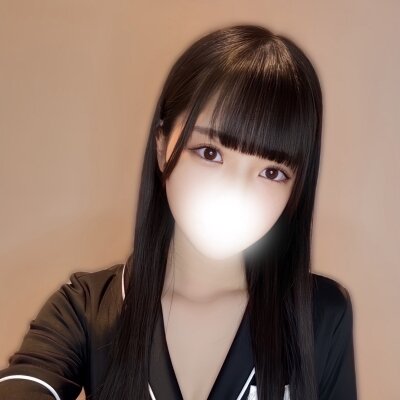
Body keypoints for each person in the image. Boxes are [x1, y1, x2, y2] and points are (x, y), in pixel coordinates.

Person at [0, 24, 358, 400]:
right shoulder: (86, 309)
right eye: (210, 153)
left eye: (272, 172)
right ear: (161, 146)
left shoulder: (320, 316)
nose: (235, 192)